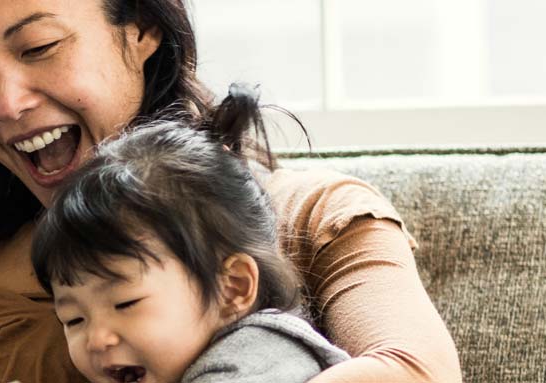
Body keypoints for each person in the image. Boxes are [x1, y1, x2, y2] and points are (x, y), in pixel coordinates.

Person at [0, 0, 461, 381]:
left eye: (39, 48)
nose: (7, 104)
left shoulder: (307, 215)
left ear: (140, 28)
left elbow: (414, 370)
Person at [33, 89, 348, 383]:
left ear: (232, 288)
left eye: (125, 303)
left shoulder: (260, 359)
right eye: (73, 319)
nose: (96, 340)